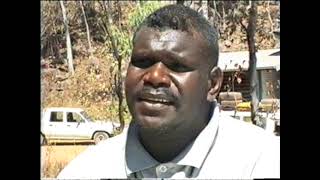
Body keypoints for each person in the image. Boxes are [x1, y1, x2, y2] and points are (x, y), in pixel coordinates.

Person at [57, 4, 279, 179]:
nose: (154, 77)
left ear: (213, 84)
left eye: (177, 66)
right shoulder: (85, 171)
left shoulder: (264, 162)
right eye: (143, 61)